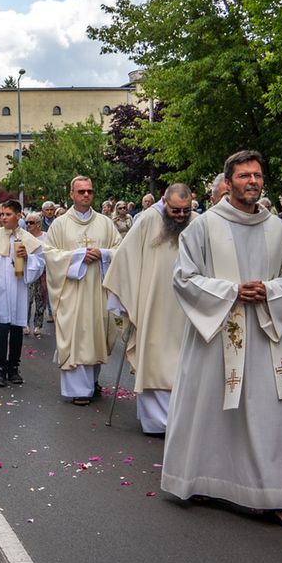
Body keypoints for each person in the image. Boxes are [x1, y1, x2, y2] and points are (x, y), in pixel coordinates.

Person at [159, 150, 282, 527]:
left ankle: (277, 495)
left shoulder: (278, 229)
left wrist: (270, 291)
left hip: (264, 334)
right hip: (216, 336)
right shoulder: (204, 226)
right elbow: (184, 277)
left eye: (257, 175)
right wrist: (231, 291)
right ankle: (203, 480)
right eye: (244, 175)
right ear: (228, 182)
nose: (252, 181)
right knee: (210, 410)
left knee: (269, 413)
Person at [102, 184, 196, 434]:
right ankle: (155, 423)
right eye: (176, 210)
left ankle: (181, 424)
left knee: (183, 363)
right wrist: (126, 301)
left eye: (185, 210)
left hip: (188, 305)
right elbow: (125, 258)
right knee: (153, 357)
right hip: (153, 304)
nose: (181, 216)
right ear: (165, 202)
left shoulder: (197, 223)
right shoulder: (147, 221)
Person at [43, 176, 122, 405]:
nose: (86, 195)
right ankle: (78, 390)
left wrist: (104, 254)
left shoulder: (105, 223)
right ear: (72, 195)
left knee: (97, 336)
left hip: (98, 290)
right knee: (75, 337)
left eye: (89, 191)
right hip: (71, 293)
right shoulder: (59, 224)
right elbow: (49, 254)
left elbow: (119, 249)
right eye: (81, 191)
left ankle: (92, 382)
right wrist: (78, 256)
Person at [0, 200, 45, 387]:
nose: (3, 217)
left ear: (18, 215)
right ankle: (0, 368)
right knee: (1, 328)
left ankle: (13, 367)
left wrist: (27, 258)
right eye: (1, 214)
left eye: (7, 214)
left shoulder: (28, 239)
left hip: (19, 288)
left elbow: (39, 263)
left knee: (16, 328)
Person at [24, 211, 51, 333]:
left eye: (32, 222)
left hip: (42, 271)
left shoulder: (46, 237)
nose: (29, 225)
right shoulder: (24, 236)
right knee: (27, 299)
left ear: (38, 224)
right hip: (28, 271)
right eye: (27, 222)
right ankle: (25, 324)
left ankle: (38, 325)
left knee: (41, 298)